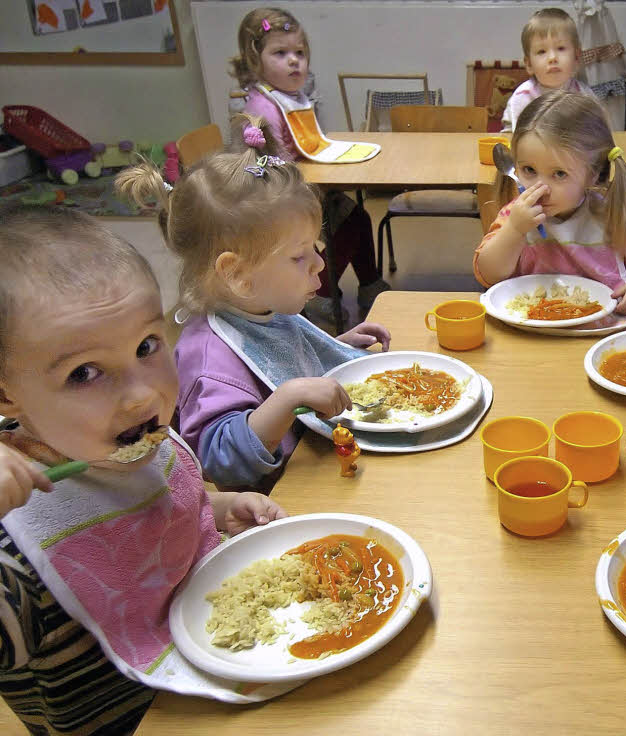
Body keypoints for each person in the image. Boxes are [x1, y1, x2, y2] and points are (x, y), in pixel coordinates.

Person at [0, 206, 287, 733]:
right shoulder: (17, 548)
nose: (142, 394)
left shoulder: (132, 438)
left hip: (235, 673)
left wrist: (219, 507)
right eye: (84, 373)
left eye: (147, 346)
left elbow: (163, 499)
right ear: (5, 396)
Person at [117, 115, 390, 494]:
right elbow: (221, 462)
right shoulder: (212, 359)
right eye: (299, 256)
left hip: (326, 468)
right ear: (238, 274)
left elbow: (279, 361)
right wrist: (289, 397)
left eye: (316, 247)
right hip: (288, 502)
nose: (320, 264)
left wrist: (337, 345)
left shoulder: (260, 305)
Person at [230, 6, 390, 321]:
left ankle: (369, 284)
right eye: (280, 53)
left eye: (300, 52)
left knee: (357, 216)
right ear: (253, 61)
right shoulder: (261, 108)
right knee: (338, 232)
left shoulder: (291, 96)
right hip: (277, 206)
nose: (294, 60)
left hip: (309, 190)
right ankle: (320, 295)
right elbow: (266, 169)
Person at [476, 90, 626, 316]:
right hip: (528, 326)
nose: (540, 188)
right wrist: (515, 230)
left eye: (559, 174)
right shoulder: (514, 215)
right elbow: (487, 274)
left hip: (599, 328)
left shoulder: (609, 215)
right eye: (529, 170)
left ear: (593, 174)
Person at [501, 8, 599, 132]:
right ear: (529, 64)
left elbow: (597, 134)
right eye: (542, 51)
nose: (552, 58)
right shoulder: (523, 97)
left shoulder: (584, 96)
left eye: (561, 48)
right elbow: (520, 141)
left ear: (576, 58)